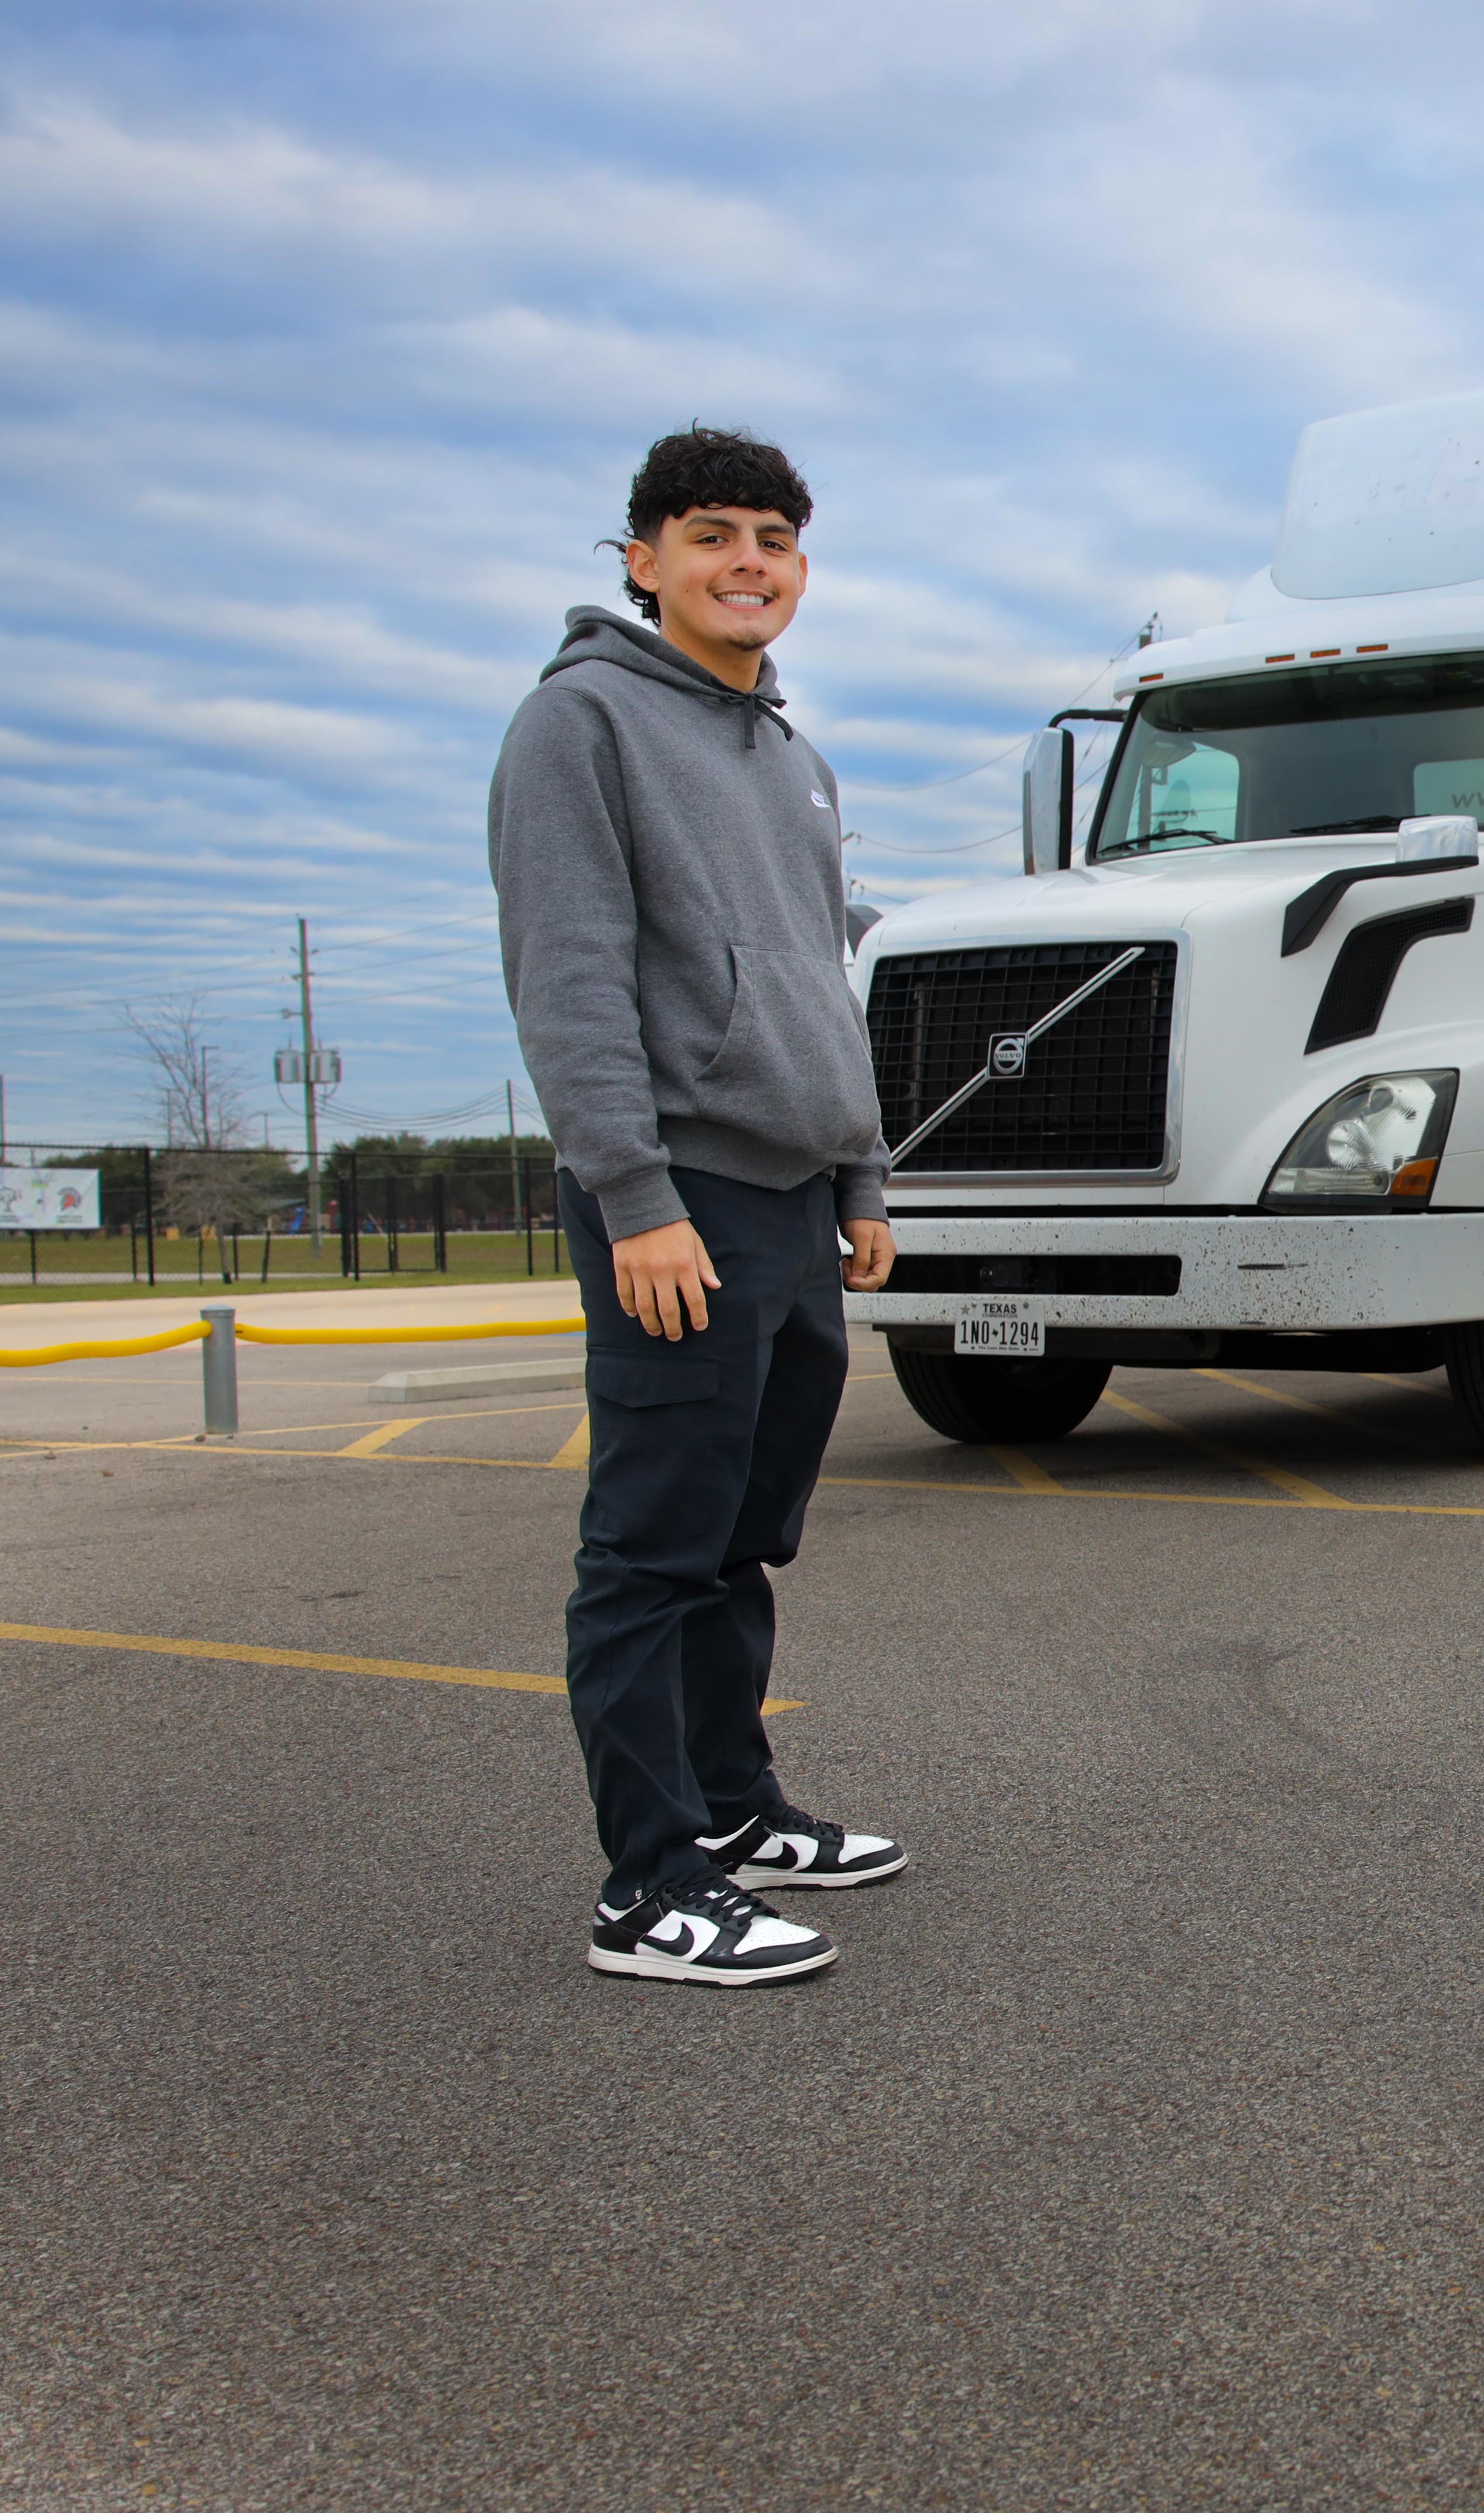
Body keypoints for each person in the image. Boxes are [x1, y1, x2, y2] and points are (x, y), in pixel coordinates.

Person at [491, 427, 906, 1984]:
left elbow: (822, 977)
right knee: (653, 1548)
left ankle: (734, 1815)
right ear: (643, 561)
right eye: (714, 534)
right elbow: (572, 976)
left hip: (798, 1199)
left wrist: (862, 1174)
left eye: (777, 541)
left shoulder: (795, 759)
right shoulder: (579, 726)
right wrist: (633, 1194)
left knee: (741, 1538)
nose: (750, 565)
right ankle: (646, 1887)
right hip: (682, 1198)